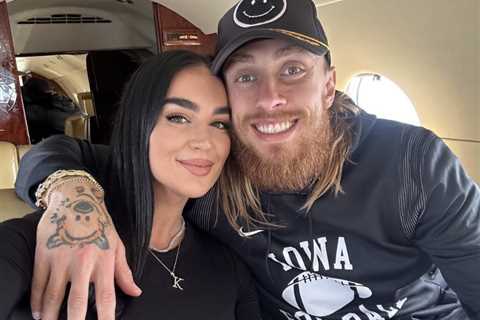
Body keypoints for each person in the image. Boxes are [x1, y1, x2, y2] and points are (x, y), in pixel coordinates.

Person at [13, 0, 480, 319]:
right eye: (247, 76)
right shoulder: (211, 168)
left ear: (329, 83)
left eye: (293, 70)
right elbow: (66, 152)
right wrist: (73, 198)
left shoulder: (410, 162)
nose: (270, 98)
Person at [1, 50, 262, 319]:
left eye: (220, 124)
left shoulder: (228, 264)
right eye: (178, 118)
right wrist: (69, 191)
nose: (204, 142)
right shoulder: (52, 238)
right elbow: (52, 152)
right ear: (137, 123)